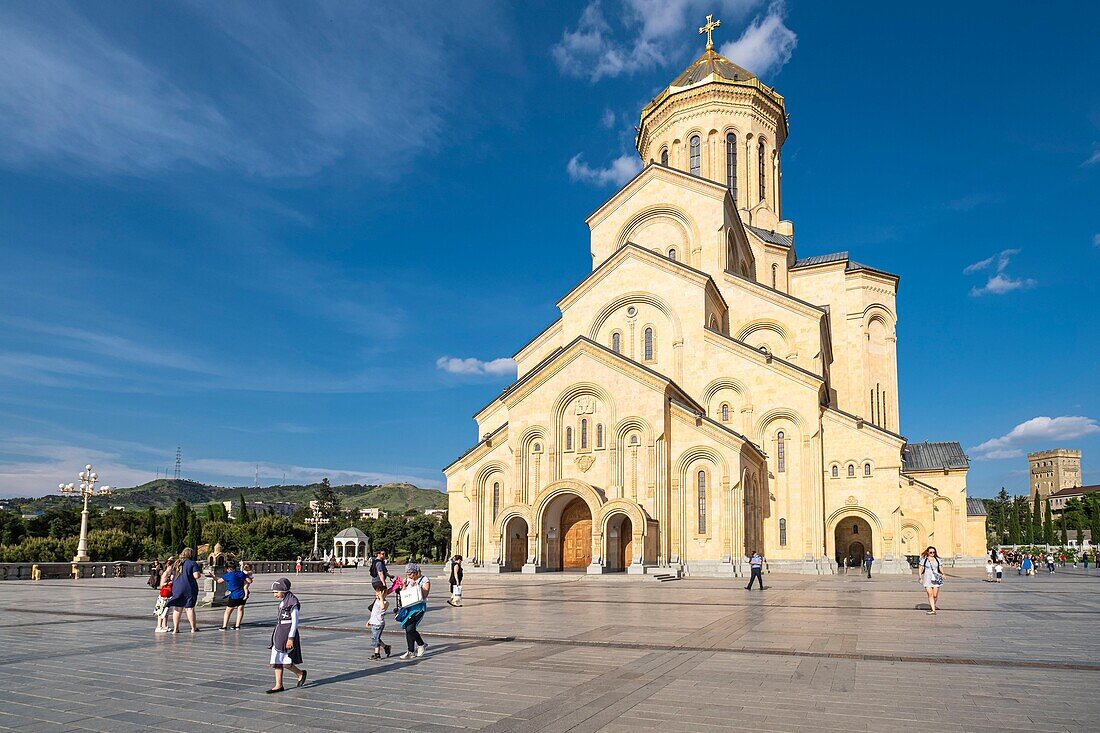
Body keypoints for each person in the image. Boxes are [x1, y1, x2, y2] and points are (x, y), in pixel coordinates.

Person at [267, 578, 307, 693]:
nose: (275, 595)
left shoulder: (292, 602)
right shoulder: (283, 601)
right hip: (279, 631)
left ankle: (299, 673)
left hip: (287, 631)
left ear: (283, 591)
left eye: (276, 592)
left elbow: (295, 622)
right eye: (274, 592)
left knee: (286, 661)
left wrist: (291, 638)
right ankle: (278, 684)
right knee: (276, 659)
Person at [397, 563, 430, 659]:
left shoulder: (425, 580)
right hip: (408, 607)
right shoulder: (408, 580)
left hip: (418, 608)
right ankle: (412, 650)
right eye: (407, 574)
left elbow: (424, 595)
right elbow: (403, 593)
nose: (408, 576)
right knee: (409, 628)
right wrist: (403, 585)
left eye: (410, 574)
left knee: (410, 628)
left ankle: (418, 646)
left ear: (416, 572)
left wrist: (417, 587)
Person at [167, 548, 202, 633]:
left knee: (177, 608)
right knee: (189, 608)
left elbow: (169, 572)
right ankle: (193, 628)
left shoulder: (177, 563)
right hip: (189, 588)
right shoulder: (192, 563)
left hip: (177, 588)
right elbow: (196, 576)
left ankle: (175, 629)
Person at [215, 559, 252, 630]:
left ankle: (224, 626)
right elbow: (249, 581)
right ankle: (237, 625)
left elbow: (219, 581)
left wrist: (214, 577)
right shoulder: (241, 573)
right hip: (242, 594)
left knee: (228, 611)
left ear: (229, 568)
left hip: (234, 595)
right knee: (240, 609)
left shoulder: (228, 575)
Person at [366, 584, 391, 660]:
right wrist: (370, 620)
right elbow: (374, 612)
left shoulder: (385, 603)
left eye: (378, 595)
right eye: (376, 595)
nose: (377, 596)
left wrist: (381, 597)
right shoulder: (377, 600)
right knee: (376, 638)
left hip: (379, 624)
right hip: (374, 622)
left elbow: (382, 607)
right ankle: (386, 647)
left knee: (375, 639)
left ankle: (377, 654)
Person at [918, 546, 944, 615]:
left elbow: (940, 567)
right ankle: (933, 610)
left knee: (935, 595)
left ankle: (933, 605)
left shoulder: (938, 559)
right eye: (931, 552)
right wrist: (920, 577)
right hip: (927, 578)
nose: (932, 553)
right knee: (930, 594)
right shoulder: (924, 559)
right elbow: (920, 568)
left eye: (933, 552)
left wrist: (943, 574)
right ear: (928, 552)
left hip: (935, 579)